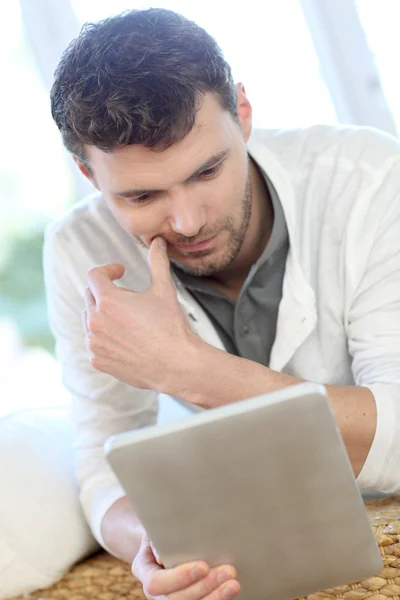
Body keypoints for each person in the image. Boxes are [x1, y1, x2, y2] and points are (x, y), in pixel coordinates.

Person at [45, 7, 400, 600]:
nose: (187, 221)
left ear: (243, 113)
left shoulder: (366, 177)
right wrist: (152, 544)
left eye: (207, 170)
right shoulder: (78, 250)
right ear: (87, 172)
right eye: (141, 194)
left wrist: (188, 370)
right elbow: (101, 467)